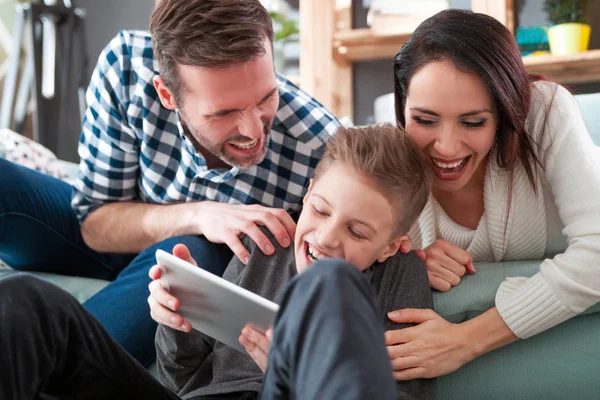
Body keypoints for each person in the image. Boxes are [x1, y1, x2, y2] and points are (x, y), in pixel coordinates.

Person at [0, 0, 340, 365]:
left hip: (197, 264)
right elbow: (94, 225)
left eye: (267, 97)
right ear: (167, 94)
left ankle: (47, 363)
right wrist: (201, 214)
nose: (255, 131)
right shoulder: (126, 68)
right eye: (224, 113)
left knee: (195, 254)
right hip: (113, 231)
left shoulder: (321, 148)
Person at [1, 124, 434, 400]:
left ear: (390, 246)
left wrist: (302, 379)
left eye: (357, 233)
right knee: (28, 303)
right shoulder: (266, 245)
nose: (325, 237)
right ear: (307, 193)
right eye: (319, 210)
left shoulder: (401, 277)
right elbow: (180, 381)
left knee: (331, 284)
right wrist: (176, 326)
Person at [382, 9, 600, 381]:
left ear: (504, 113)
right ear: (403, 108)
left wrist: (463, 342)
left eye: (473, 122)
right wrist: (409, 262)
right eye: (424, 119)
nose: (447, 147)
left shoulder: (545, 112)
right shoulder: (388, 156)